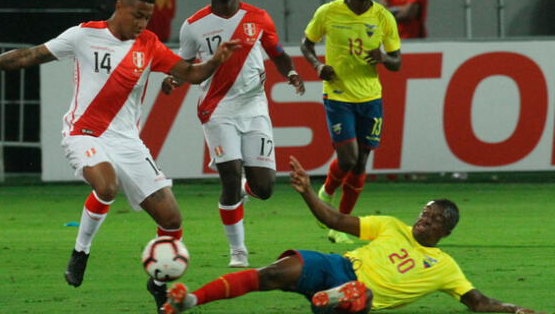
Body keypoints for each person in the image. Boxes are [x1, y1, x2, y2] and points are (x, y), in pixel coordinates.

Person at [0, 0, 240, 314]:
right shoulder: (83, 36)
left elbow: (192, 74)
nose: (142, 24)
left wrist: (216, 61)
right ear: (119, 6)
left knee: (171, 220)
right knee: (107, 184)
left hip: (127, 141)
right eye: (138, 16)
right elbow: (27, 56)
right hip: (84, 132)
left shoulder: (150, 44)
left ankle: (157, 283)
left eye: (147, 18)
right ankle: (80, 253)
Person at [160, 156, 545, 314]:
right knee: (274, 273)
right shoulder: (392, 225)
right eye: (423, 213)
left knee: (366, 295)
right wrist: (308, 192)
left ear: (446, 230)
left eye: (431, 219)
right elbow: (335, 219)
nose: (422, 220)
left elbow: (477, 301)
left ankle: (338, 299)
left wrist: (513, 310)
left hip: (363, 295)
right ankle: (190, 299)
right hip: (338, 266)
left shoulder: (445, 267)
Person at [162, 0, 305, 268]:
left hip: (254, 108)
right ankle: (238, 250)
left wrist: (290, 72)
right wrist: (174, 79)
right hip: (217, 109)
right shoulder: (194, 25)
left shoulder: (258, 18)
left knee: (264, 189)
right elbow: (185, 64)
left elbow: (277, 53)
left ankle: (245, 191)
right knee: (229, 175)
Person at [300, 0, 401, 244]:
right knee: (348, 157)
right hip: (338, 96)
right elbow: (306, 44)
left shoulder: (383, 18)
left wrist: (383, 58)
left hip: (371, 98)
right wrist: (317, 66)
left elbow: (397, 62)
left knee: (360, 164)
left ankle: (340, 226)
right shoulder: (328, 12)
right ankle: (327, 192)